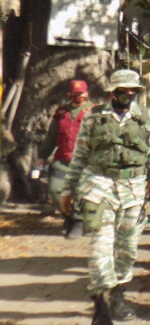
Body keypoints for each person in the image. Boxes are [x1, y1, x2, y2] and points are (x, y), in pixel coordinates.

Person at [60, 69, 150, 325]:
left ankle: (118, 295)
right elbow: (80, 154)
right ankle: (101, 306)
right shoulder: (94, 117)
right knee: (100, 248)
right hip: (99, 187)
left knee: (127, 250)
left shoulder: (146, 118)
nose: (128, 95)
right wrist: (68, 189)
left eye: (132, 91)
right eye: (122, 91)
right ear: (112, 92)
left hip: (133, 190)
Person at [40, 79, 92, 237]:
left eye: (81, 94)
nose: (78, 97)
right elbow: (51, 136)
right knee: (56, 190)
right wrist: (42, 156)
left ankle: (78, 221)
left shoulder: (94, 112)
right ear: (69, 94)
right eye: (75, 94)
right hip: (62, 158)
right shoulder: (62, 113)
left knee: (79, 192)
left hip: (84, 161)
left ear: (86, 93)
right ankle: (67, 217)